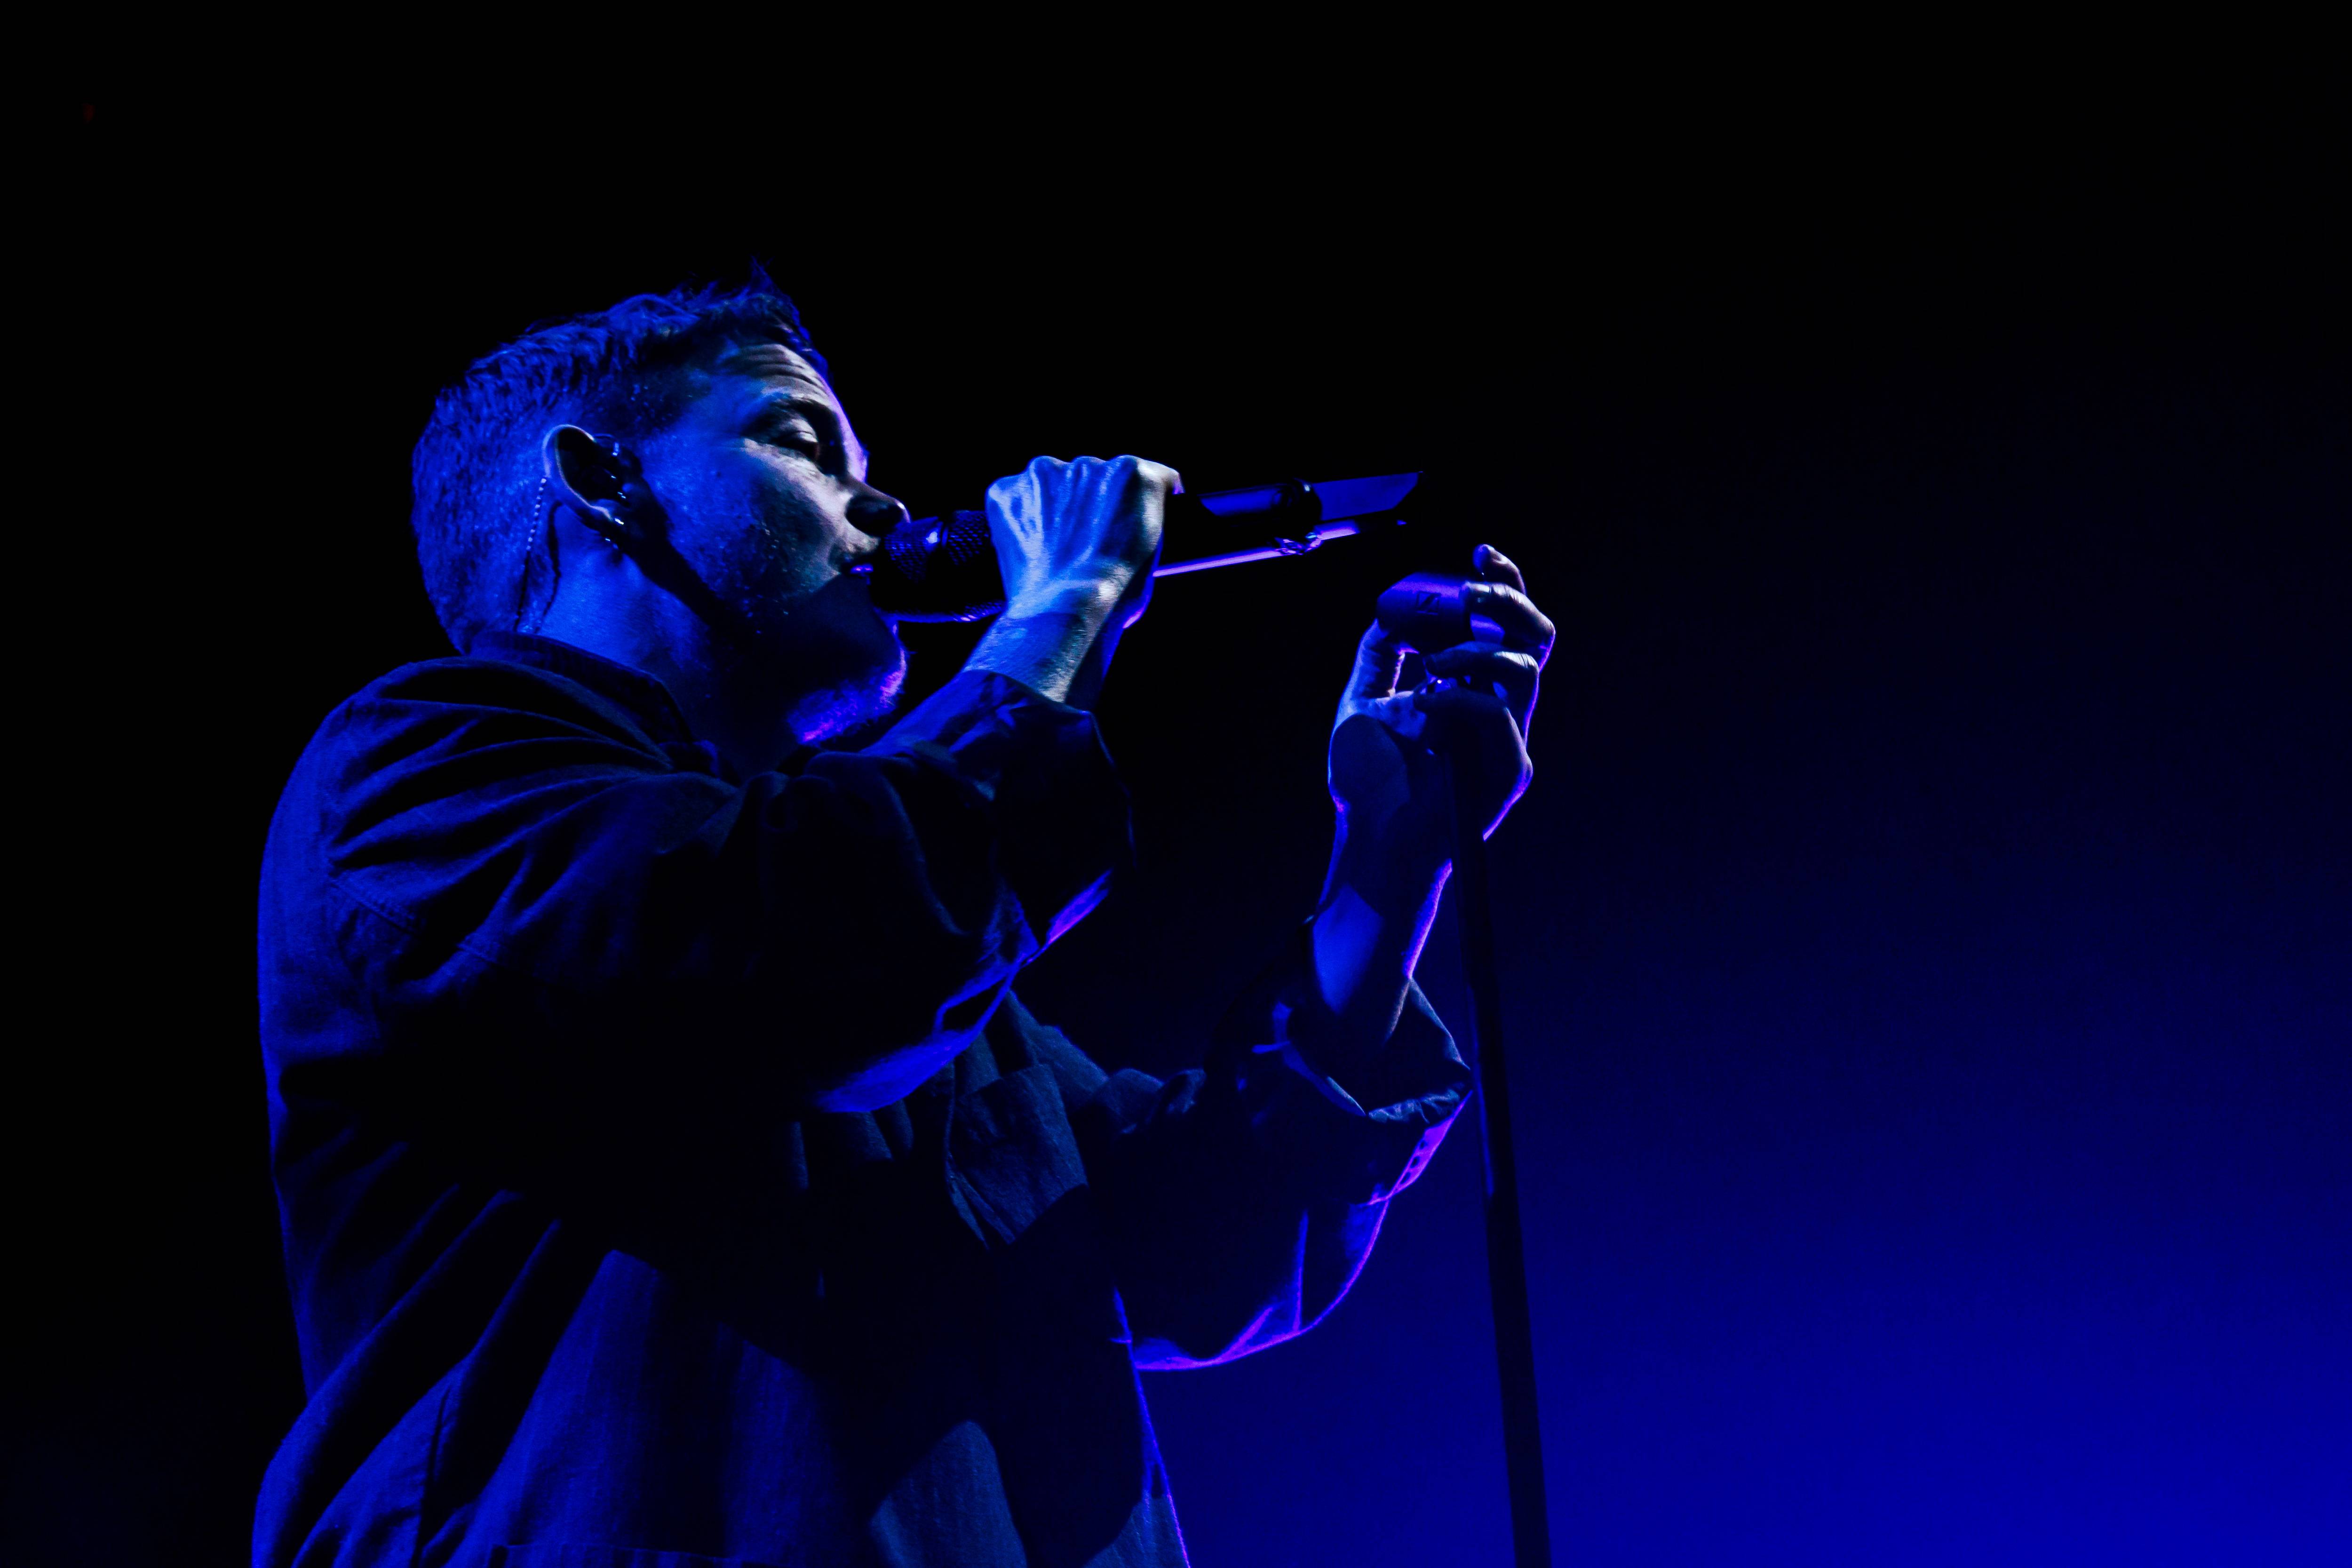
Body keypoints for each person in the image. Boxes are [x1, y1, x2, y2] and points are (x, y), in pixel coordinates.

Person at [254, 277, 1554, 1568]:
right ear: (605, 481)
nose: (880, 508)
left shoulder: (897, 935)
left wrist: (1387, 868)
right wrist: (1063, 603)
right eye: (804, 445)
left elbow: (1192, 1244)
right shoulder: (417, 773)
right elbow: (809, 949)